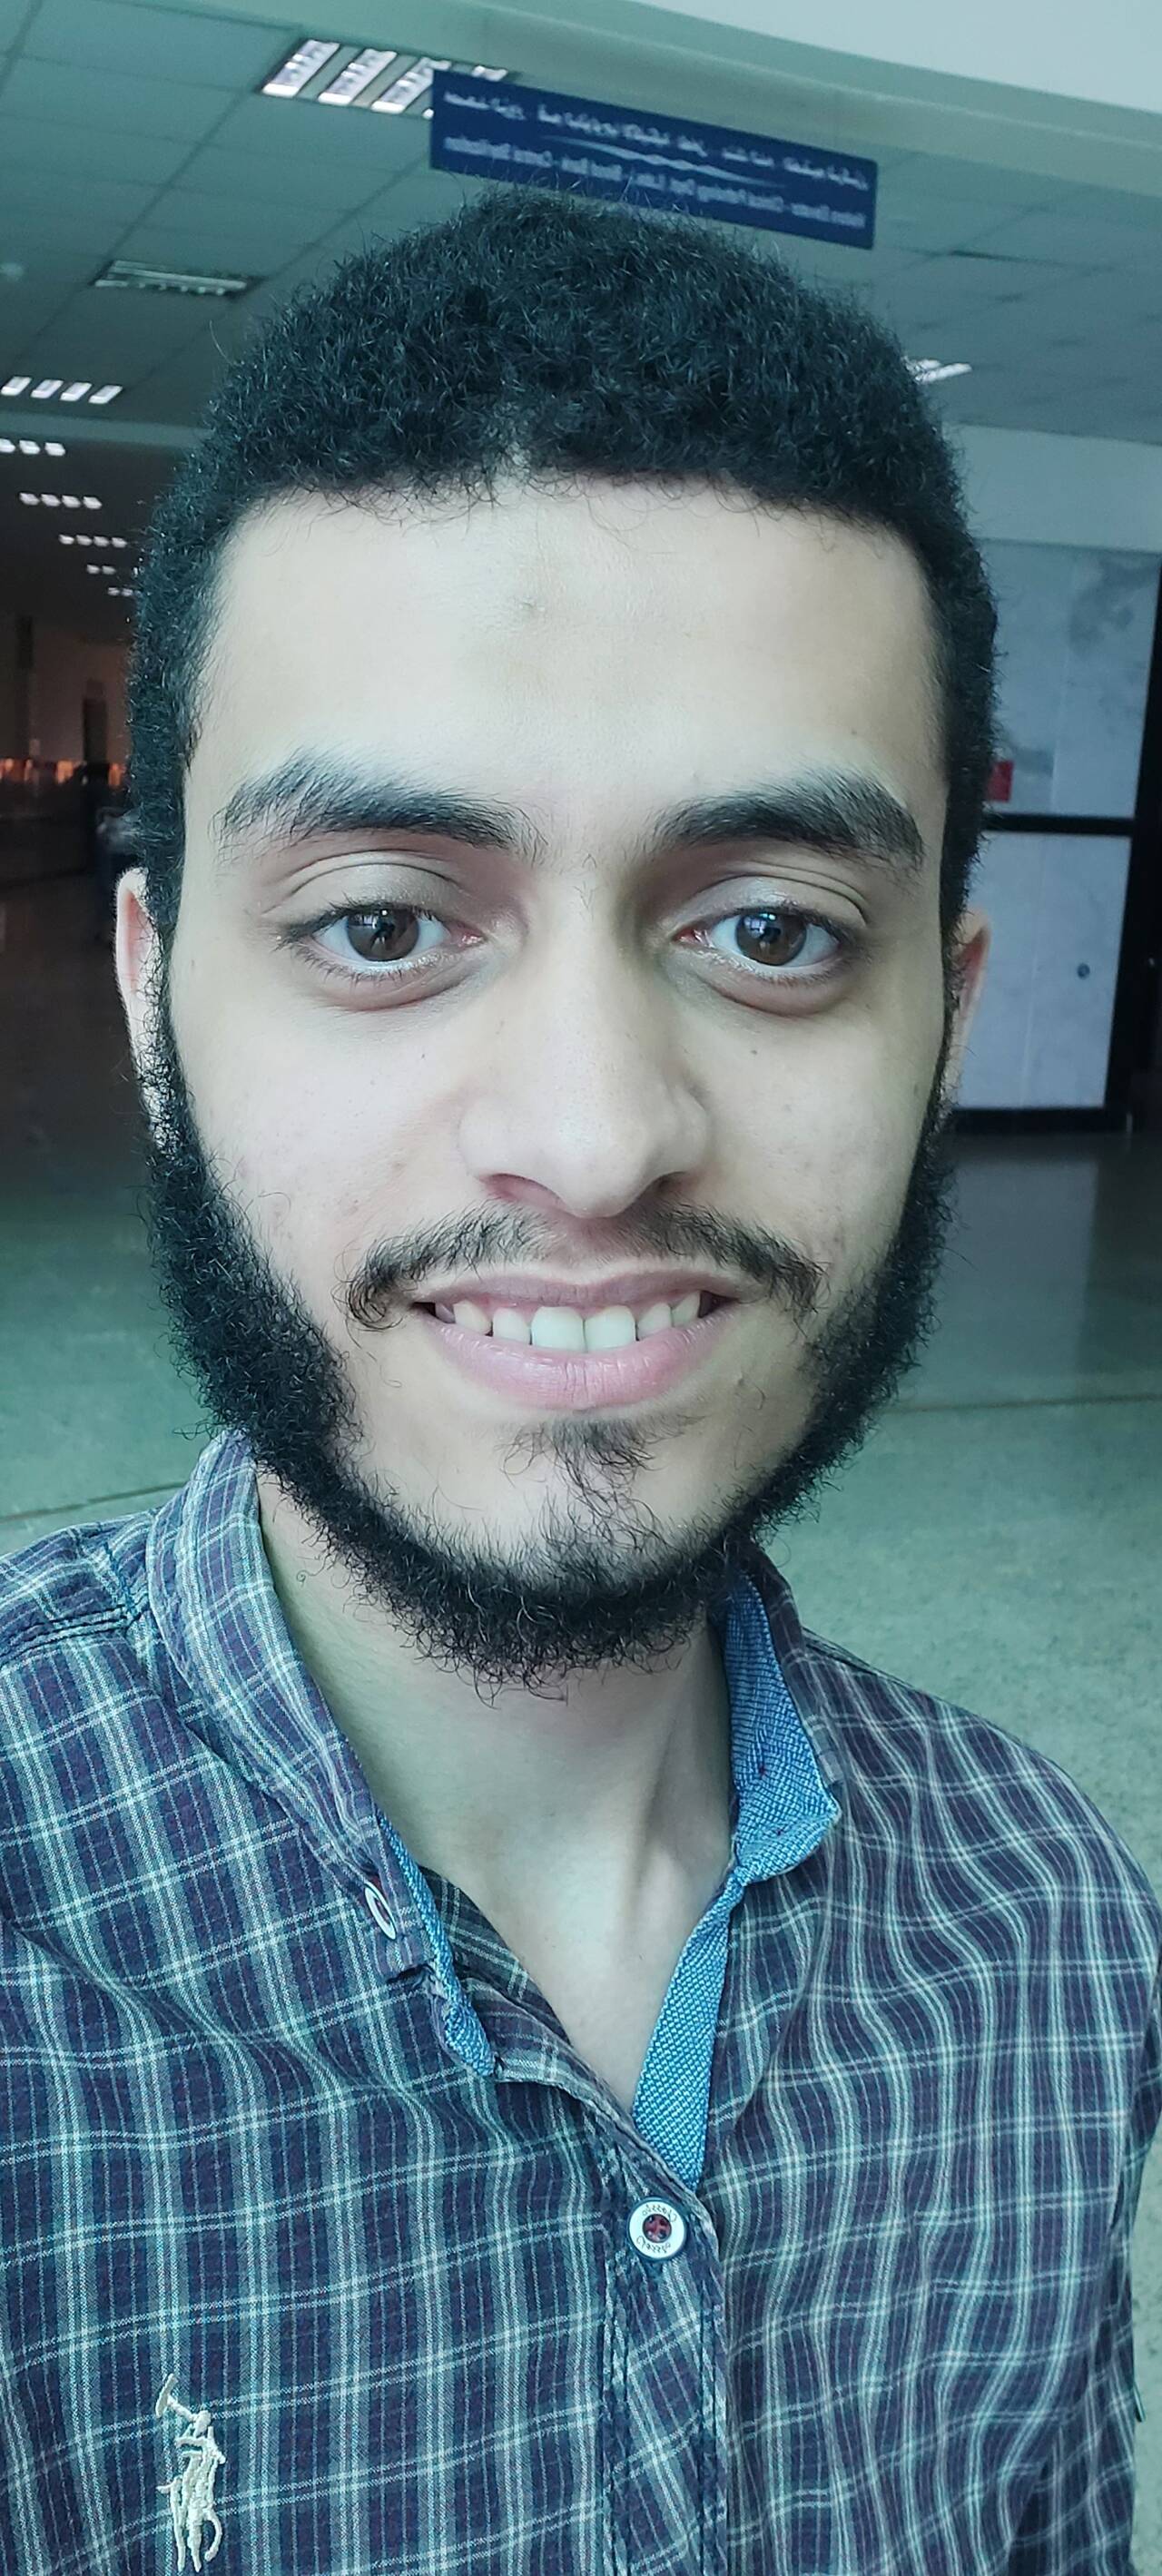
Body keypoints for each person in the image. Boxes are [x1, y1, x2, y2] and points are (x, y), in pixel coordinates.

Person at [1, 185, 1157, 2576]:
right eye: (383, 924)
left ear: (943, 1014)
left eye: (772, 932)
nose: (599, 1134)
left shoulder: (1052, 1935)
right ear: (150, 997)